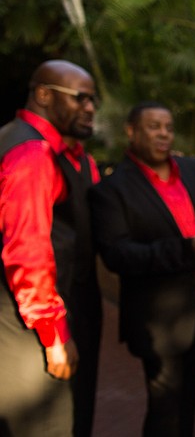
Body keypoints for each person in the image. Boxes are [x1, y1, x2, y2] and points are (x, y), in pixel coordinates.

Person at [89, 101, 195, 437]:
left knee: (189, 400)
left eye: (168, 127)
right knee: (166, 409)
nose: (163, 134)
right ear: (132, 131)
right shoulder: (112, 190)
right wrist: (187, 251)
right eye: (154, 127)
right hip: (158, 319)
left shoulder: (194, 170)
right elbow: (117, 255)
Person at [0, 60, 100, 437]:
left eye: (92, 100)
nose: (89, 108)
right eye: (80, 98)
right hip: (24, 328)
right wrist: (54, 335)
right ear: (43, 95)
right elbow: (27, 248)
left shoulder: (18, 138)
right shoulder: (32, 152)